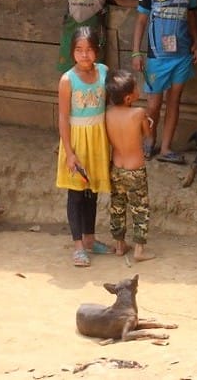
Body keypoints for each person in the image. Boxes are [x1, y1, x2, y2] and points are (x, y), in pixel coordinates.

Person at [131, 0, 197, 163]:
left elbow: (191, 18)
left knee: (174, 102)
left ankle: (166, 148)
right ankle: (149, 141)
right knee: (153, 105)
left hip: (181, 57)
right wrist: (135, 52)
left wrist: (196, 43)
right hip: (157, 58)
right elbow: (141, 22)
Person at [57, 27, 112, 267]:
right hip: (77, 140)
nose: (84, 55)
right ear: (72, 53)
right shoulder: (67, 80)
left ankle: (90, 239)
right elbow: (62, 117)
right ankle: (78, 245)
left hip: (98, 137)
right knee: (77, 193)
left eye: (89, 50)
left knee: (93, 191)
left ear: (96, 52)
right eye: (79, 50)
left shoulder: (104, 72)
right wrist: (69, 152)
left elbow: (109, 107)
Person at [105, 69, 156, 262]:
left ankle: (119, 245)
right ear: (128, 98)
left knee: (117, 206)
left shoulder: (108, 114)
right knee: (140, 208)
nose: (138, 89)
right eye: (135, 88)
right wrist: (148, 122)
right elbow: (148, 136)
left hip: (116, 167)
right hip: (135, 170)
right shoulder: (139, 113)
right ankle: (139, 250)